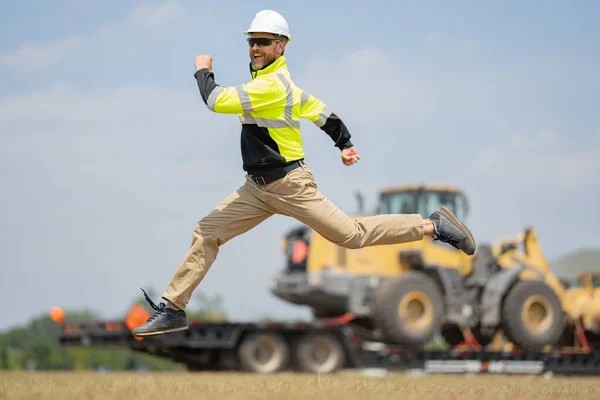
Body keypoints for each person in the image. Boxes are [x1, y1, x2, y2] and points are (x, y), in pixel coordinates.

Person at [132, 10, 476, 337]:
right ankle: (173, 307)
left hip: (290, 185)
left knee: (352, 236)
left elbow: (215, 101)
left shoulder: (271, 87)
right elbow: (319, 111)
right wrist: (344, 143)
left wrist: (202, 70)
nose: (255, 48)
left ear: (281, 46)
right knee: (206, 232)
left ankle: (433, 225)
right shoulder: (278, 84)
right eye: (252, 41)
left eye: (263, 42)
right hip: (256, 188)